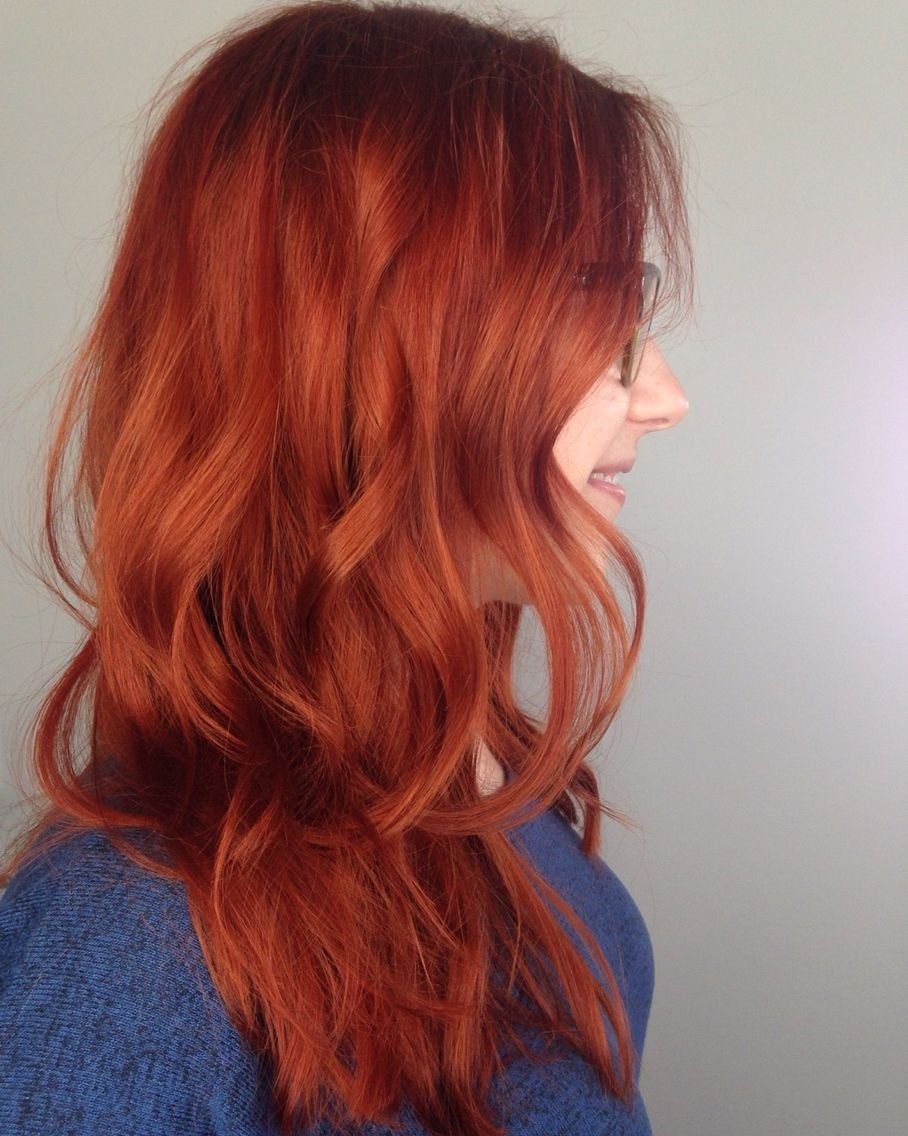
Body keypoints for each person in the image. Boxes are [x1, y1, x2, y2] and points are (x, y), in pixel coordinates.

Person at [0, 2, 693, 1133]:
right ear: (361, 359)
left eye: (631, 307)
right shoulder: (122, 961)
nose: (662, 395)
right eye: (588, 306)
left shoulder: (492, 811)